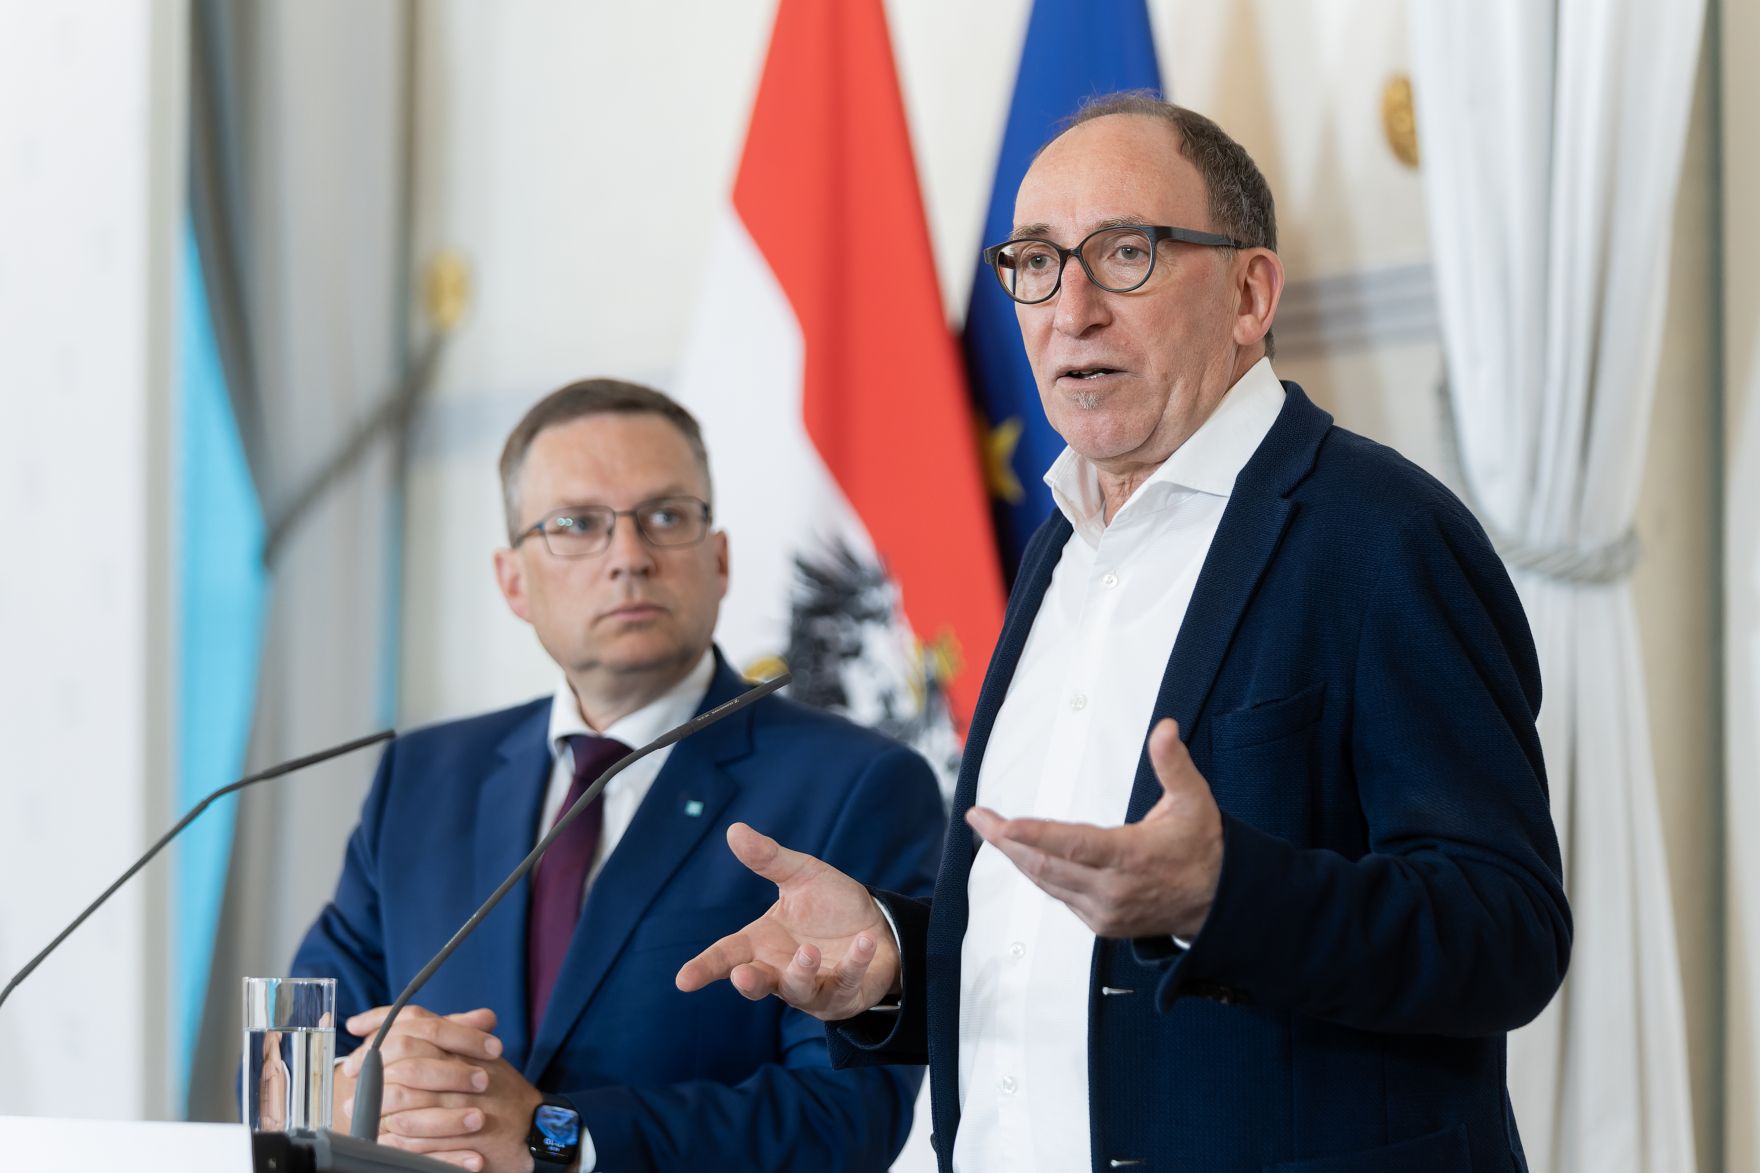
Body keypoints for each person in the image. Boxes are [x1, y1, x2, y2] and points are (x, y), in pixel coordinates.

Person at [677, 94, 1571, 1173]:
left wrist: (1225, 897)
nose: (1072, 308)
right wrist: (894, 960)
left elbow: (1505, 931)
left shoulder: (1381, 536)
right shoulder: (1056, 547)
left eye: (1125, 253)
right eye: (1035, 262)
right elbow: (1067, 957)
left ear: (1250, 294)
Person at [291, 379, 946, 1173]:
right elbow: (291, 1051)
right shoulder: (424, 778)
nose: (630, 557)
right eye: (577, 525)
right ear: (512, 579)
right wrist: (347, 1093)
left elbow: (846, 1121)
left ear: (720, 558)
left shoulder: (858, 785)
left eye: (665, 517)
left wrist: (552, 1135)